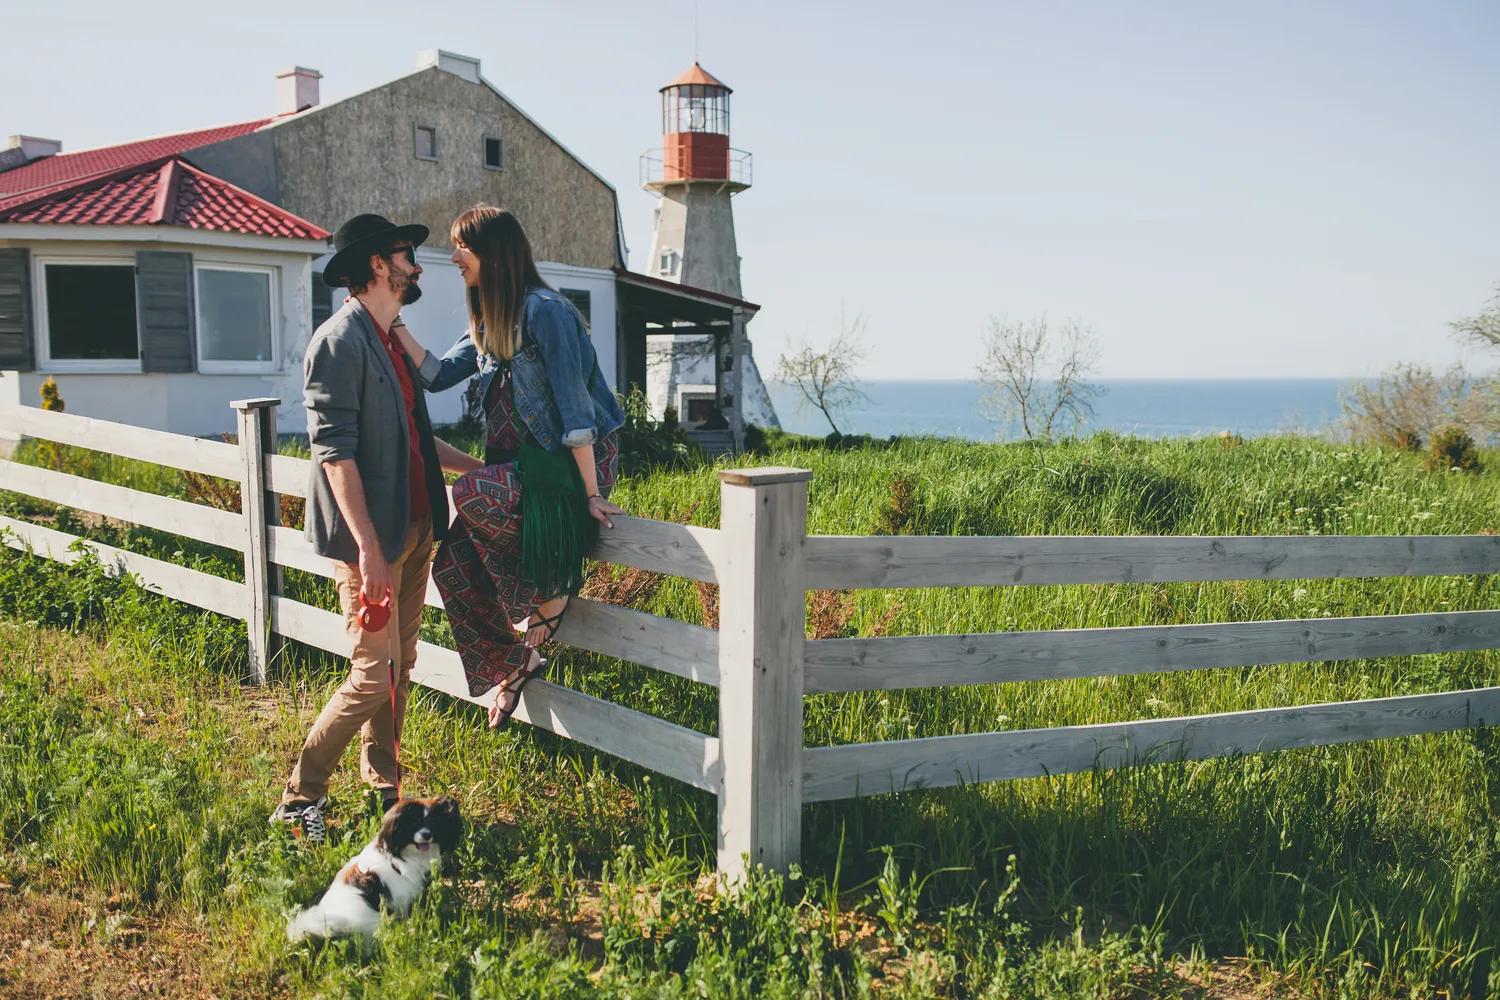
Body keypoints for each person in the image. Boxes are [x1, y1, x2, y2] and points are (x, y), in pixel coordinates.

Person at [270, 214, 485, 843]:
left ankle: (385, 792)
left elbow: (418, 439)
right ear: (376, 265)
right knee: (372, 676)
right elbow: (333, 454)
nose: (416, 265)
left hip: (415, 528)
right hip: (373, 540)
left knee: (400, 667)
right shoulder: (338, 342)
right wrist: (366, 548)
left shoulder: (390, 338)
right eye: (405, 254)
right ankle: (300, 797)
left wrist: (482, 470)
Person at [387, 205, 625, 728]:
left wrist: (590, 494)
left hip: (565, 466)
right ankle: (517, 662)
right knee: (451, 568)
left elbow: (576, 412)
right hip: (521, 470)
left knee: (468, 491)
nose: (454, 258)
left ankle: (551, 589)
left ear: (494, 253)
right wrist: (392, 320)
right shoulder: (487, 320)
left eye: (463, 247)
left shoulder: (547, 311)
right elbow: (434, 374)